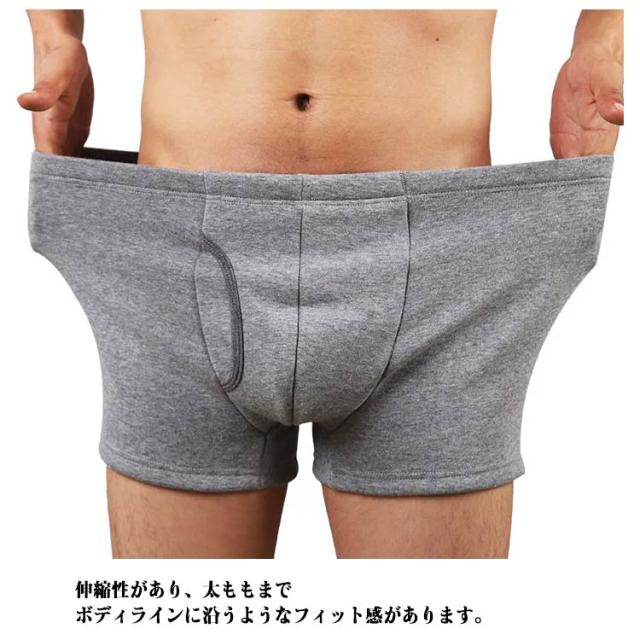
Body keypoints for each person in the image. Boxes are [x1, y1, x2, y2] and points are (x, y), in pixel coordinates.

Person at [19, 9, 623, 559]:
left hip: (442, 261)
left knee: (433, 618)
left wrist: (602, 35)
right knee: (179, 618)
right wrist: (55, 34)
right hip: (176, 252)